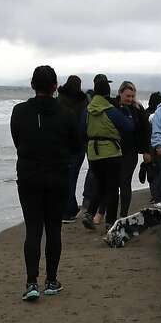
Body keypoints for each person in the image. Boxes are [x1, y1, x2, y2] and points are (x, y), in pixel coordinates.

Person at [10, 65, 82, 301]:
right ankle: (51, 280)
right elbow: (75, 145)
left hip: (29, 175)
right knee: (53, 229)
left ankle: (32, 283)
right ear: (54, 86)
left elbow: (17, 140)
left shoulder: (19, 111)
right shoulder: (66, 113)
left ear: (33, 85)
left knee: (33, 229)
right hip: (57, 175)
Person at [81, 74, 135, 231]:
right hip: (111, 152)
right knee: (112, 187)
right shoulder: (111, 110)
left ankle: (90, 213)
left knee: (99, 183)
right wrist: (128, 112)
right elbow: (128, 127)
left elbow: (81, 130)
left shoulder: (87, 111)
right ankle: (110, 222)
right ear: (108, 93)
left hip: (93, 153)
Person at [112, 81, 151, 219]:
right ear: (120, 93)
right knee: (112, 182)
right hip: (113, 150)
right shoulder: (112, 106)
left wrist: (146, 151)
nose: (130, 99)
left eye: (132, 96)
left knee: (125, 181)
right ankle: (107, 213)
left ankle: (123, 214)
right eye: (127, 96)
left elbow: (146, 130)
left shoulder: (137, 108)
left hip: (131, 151)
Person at [57, 75, 88, 220]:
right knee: (72, 179)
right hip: (79, 144)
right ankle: (70, 208)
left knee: (65, 178)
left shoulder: (59, 100)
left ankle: (68, 209)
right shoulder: (84, 102)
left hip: (62, 144)